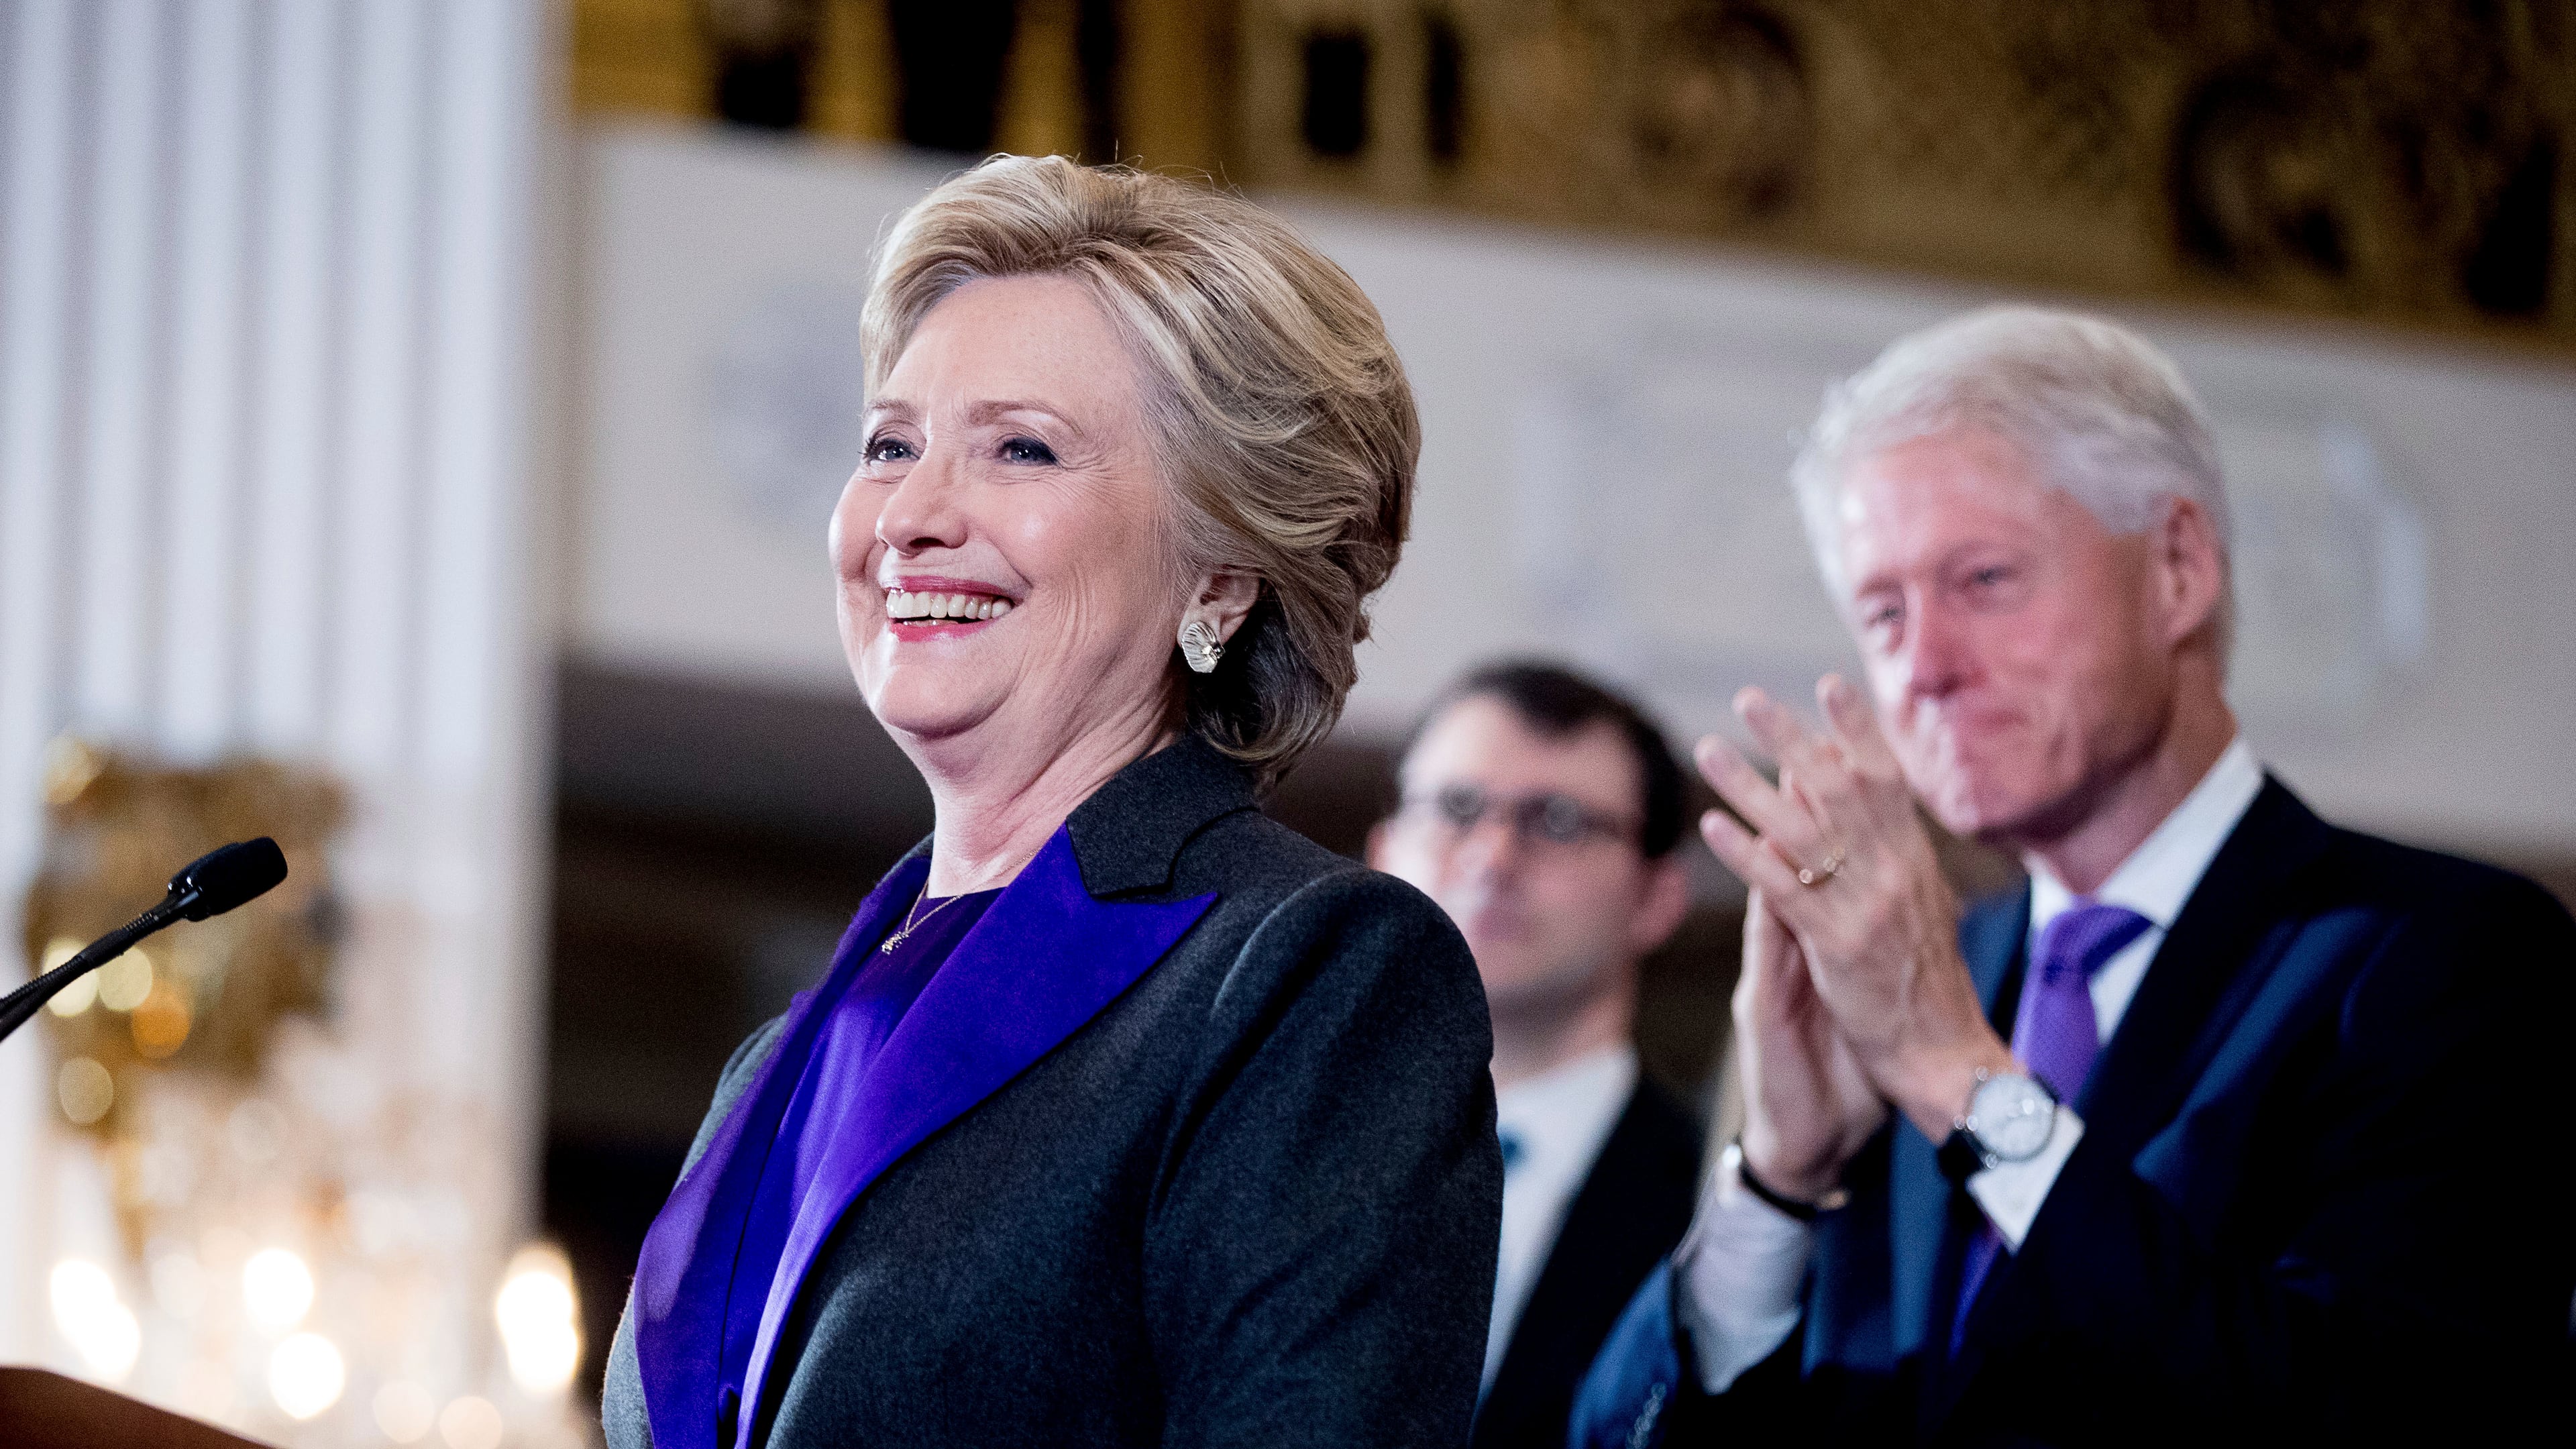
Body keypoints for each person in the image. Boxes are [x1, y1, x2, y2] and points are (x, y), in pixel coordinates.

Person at [601, 156, 1502, 1449]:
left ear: (1220, 577)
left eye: (1021, 448)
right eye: (890, 445)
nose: (911, 515)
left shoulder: (1311, 979)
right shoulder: (786, 1050)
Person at [1572, 306, 2576, 1446]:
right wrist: (1780, 1184)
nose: (1927, 667)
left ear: (2179, 570)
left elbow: (2374, 1414)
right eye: (1884, 612)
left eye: (1986, 580)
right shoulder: (1927, 974)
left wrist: (1960, 1078)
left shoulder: (2442, 959)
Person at [1368, 662, 1707, 1449]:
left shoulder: (1726, 1217)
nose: (1492, 856)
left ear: (1658, 897)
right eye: (1456, 807)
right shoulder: (1261, 1131)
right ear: (1383, 852)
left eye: (1557, 821)